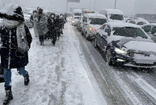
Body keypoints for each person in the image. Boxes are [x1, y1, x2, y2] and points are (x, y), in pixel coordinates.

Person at [0, 4, 32, 105]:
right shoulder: (3, 26)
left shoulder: (22, 26)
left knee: (20, 70)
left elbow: (28, 39)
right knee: (6, 73)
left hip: (18, 55)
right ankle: (8, 93)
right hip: (5, 54)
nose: (9, 17)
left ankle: (25, 75)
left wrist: (23, 48)